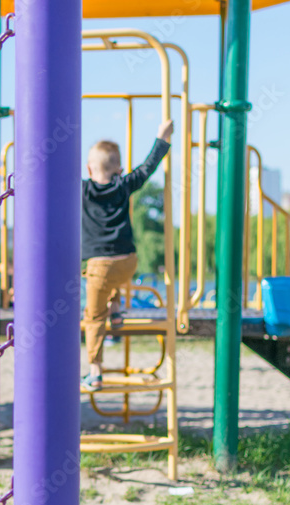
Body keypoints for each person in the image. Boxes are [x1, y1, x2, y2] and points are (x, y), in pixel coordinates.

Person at [81, 119, 174, 391]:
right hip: (128, 262)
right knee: (111, 280)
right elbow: (147, 167)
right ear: (119, 170)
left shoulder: (82, 189)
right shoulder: (123, 185)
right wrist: (162, 137)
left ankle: (95, 372)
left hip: (100, 265)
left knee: (93, 317)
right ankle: (117, 311)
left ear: (89, 169)